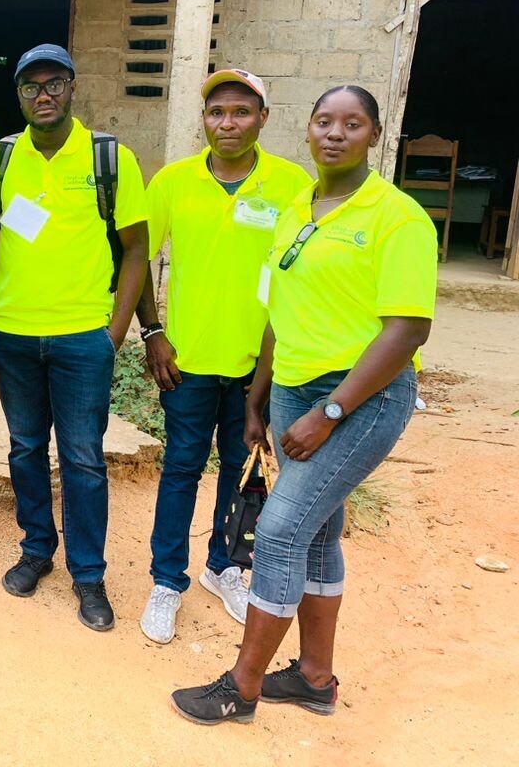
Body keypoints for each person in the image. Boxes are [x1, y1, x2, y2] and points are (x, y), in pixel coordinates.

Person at [171, 85, 436, 725]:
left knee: (285, 529)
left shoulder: (398, 218)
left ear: (375, 133)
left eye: (352, 123)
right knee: (319, 534)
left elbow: (406, 330)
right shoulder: (297, 209)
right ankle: (315, 678)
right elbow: (276, 307)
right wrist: (258, 398)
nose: (335, 133)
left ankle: (242, 687)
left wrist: (332, 412)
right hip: (291, 388)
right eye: (324, 121)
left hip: (360, 397)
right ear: (309, 131)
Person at [137, 70, 312, 645]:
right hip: (187, 360)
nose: (227, 123)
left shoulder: (291, 186)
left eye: (240, 112)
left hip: (258, 365)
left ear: (263, 117)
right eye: (217, 113)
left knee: (241, 473)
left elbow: (301, 277)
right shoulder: (172, 182)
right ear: (204, 120)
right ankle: (167, 581)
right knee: (182, 469)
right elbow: (140, 257)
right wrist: (152, 332)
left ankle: (224, 565)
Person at [0, 44, 148, 631]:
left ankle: (89, 575)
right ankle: (36, 551)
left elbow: (135, 247)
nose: (43, 95)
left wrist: (114, 331)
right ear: (20, 96)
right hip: (14, 334)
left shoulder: (109, 157)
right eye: (31, 87)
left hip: (84, 337)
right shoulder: (1, 158)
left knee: (83, 458)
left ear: (73, 87)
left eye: (54, 83)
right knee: (26, 447)